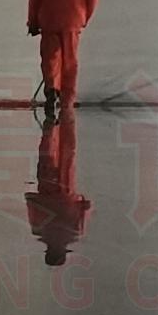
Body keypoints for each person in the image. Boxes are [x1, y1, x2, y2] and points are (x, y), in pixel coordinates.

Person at [26, 0, 98, 119]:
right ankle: (67, 101)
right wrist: (84, 19)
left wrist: (33, 23)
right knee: (70, 61)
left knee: (50, 59)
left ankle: (51, 89)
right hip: (72, 20)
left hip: (49, 20)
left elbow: (34, 0)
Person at [24, 107, 93, 267]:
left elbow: (86, 206)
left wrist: (79, 202)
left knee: (67, 153)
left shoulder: (75, 233)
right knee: (50, 155)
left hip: (65, 190)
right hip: (53, 187)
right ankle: (51, 125)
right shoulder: (38, 230)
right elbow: (30, 200)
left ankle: (63, 118)